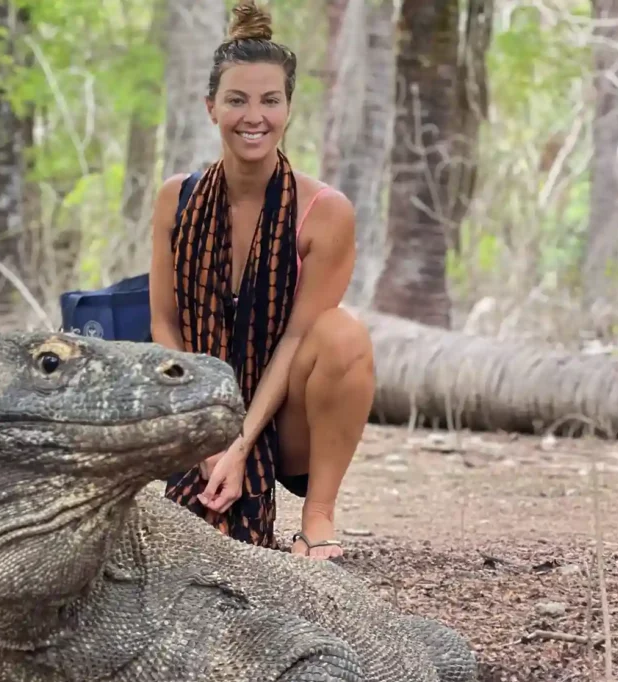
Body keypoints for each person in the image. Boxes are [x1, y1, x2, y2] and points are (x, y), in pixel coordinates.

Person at [148, 0, 375, 561]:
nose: (255, 116)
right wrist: (208, 432)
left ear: (289, 108)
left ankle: (317, 517)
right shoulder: (177, 198)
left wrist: (241, 438)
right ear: (211, 107)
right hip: (195, 409)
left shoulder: (324, 210)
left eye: (270, 100)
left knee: (343, 336)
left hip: (282, 417)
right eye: (237, 100)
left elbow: (299, 338)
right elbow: (164, 323)